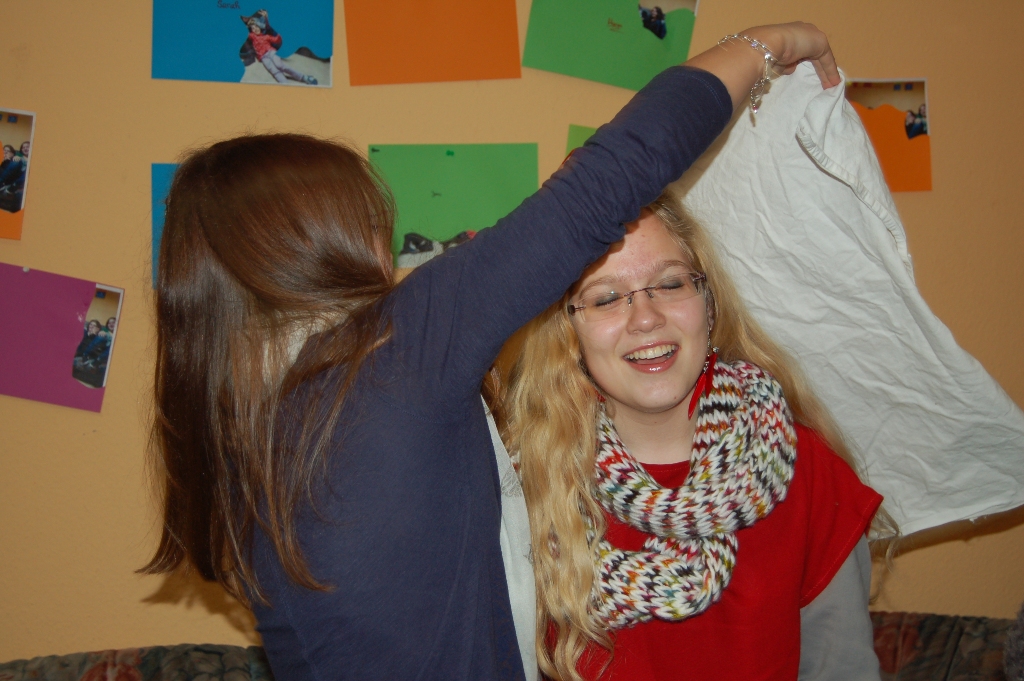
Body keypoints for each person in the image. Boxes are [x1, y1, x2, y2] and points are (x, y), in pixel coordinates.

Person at [143, 23, 842, 681]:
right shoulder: (391, 359)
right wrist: (769, 43)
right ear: (328, 243)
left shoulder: (245, 427)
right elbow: (613, 175)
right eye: (373, 228)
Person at [501, 196, 885, 680]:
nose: (645, 318)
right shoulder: (520, 488)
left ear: (709, 304)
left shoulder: (806, 469)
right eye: (605, 298)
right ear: (567, 330)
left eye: (669, 284)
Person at [238, 10, 317, 85]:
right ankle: (286, 85)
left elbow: (276, 38)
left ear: (260, 27)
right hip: (263, 57)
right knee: (274, 71)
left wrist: (266, 19)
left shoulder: (266, 36)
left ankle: (303, 77)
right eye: (253, 28)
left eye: (256, 27)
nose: (255, 29)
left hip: (270, 52)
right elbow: (244, 30)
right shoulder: (252, 36)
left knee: (280, 65)